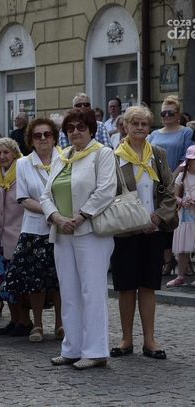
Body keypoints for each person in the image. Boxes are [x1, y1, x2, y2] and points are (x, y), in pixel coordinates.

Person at [41, 108, 117, 369]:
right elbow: (45, 194)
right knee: (69, 292)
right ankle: (72, 348)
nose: (75, 132)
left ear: (91, 130)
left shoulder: (102, 154)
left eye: (81, 127)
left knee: (92, 292)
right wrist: (56, 217)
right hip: (62, 233)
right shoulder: (62, 157)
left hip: (91, 232)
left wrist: (82, 215)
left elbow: (106, 189)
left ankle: (96, 351)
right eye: (70, 128)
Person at [110, 106, 177, 360]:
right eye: (135, 123)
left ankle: (150, 340)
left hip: (154, 230)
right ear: (125, 126)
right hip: (126, 232)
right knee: (126, 287)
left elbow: (169, 191)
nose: (139, 127)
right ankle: (126, 338)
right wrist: (137, 221)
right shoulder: (114, 157)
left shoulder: (158, 155)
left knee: (148, 286)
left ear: (149, 128)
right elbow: (110, 195)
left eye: (144, 124)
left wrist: (158, 216)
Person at [6, 118, 63, 342]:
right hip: (34, 228)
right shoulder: (23, 163)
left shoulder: (65, 159)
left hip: (61, 228)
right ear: (30, 139)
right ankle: (37, 324)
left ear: (54, 137)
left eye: (47, 134)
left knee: (60, 279)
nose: (42, 139)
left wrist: (58, 216)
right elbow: (23, 198)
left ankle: (60, 323)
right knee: (35, 281)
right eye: (37, 135)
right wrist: (51, 213)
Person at [147, 95, 194, 275]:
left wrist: (172, 178)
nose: (166, 116)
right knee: (161, 220)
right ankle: (166, 260)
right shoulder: (154, 134)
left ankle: (182, 261)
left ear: (178, 115)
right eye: (163, 113)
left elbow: (186, 158)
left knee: (177, 221)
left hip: (177, 181)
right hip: (156, 182)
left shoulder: (186, 132)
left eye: (170, 113)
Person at [0, 137, 29, 335]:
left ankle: (25, 320)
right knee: (5, 282)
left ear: (14, 153)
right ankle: (14, 319)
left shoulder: (23, 170)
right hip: (1, 235)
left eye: (6, 152)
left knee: (19, 281)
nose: (2, 156)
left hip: (19, 232)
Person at [167, 145, 195, 287]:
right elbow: (174, 195)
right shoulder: (182, 176)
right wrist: (182, 201)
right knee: (183, 248)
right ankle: (180, 275)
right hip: (185, 217)